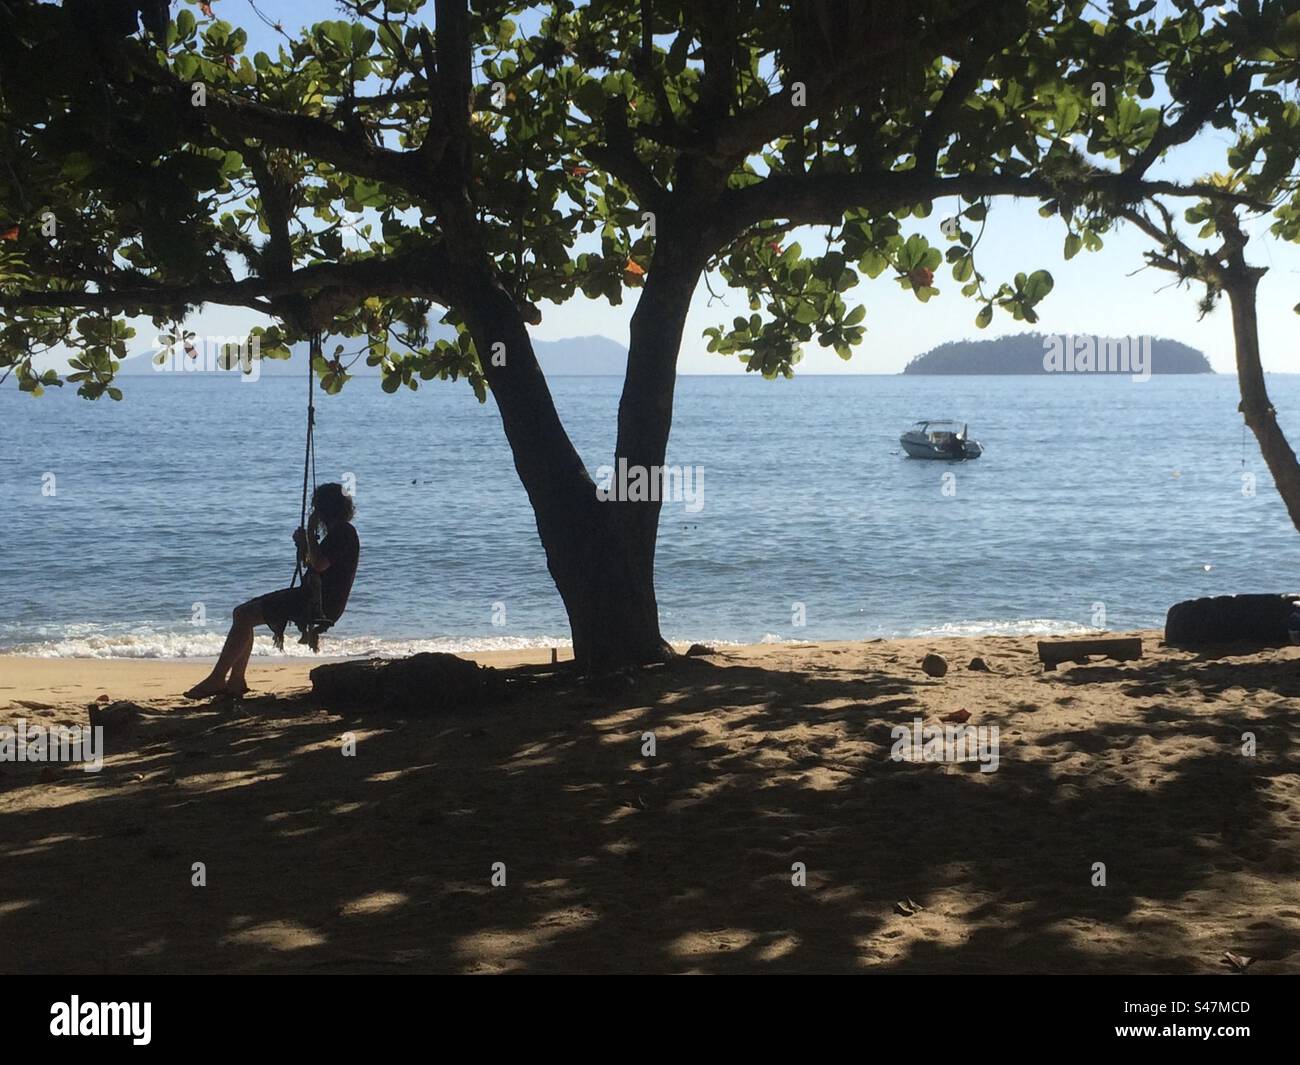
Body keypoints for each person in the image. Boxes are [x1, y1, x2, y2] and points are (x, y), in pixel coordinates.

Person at [185, 483, 360, 698]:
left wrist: (310, 535)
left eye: (316, 508)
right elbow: (316, 563)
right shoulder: (340, 532)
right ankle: (235, 682)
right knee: (243, 615)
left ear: (324, 509)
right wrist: (305, 544)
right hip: (314, 598)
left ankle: (218, 679)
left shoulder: (343, 531)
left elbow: (320, 564)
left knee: (243, 615)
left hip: (318, 603)